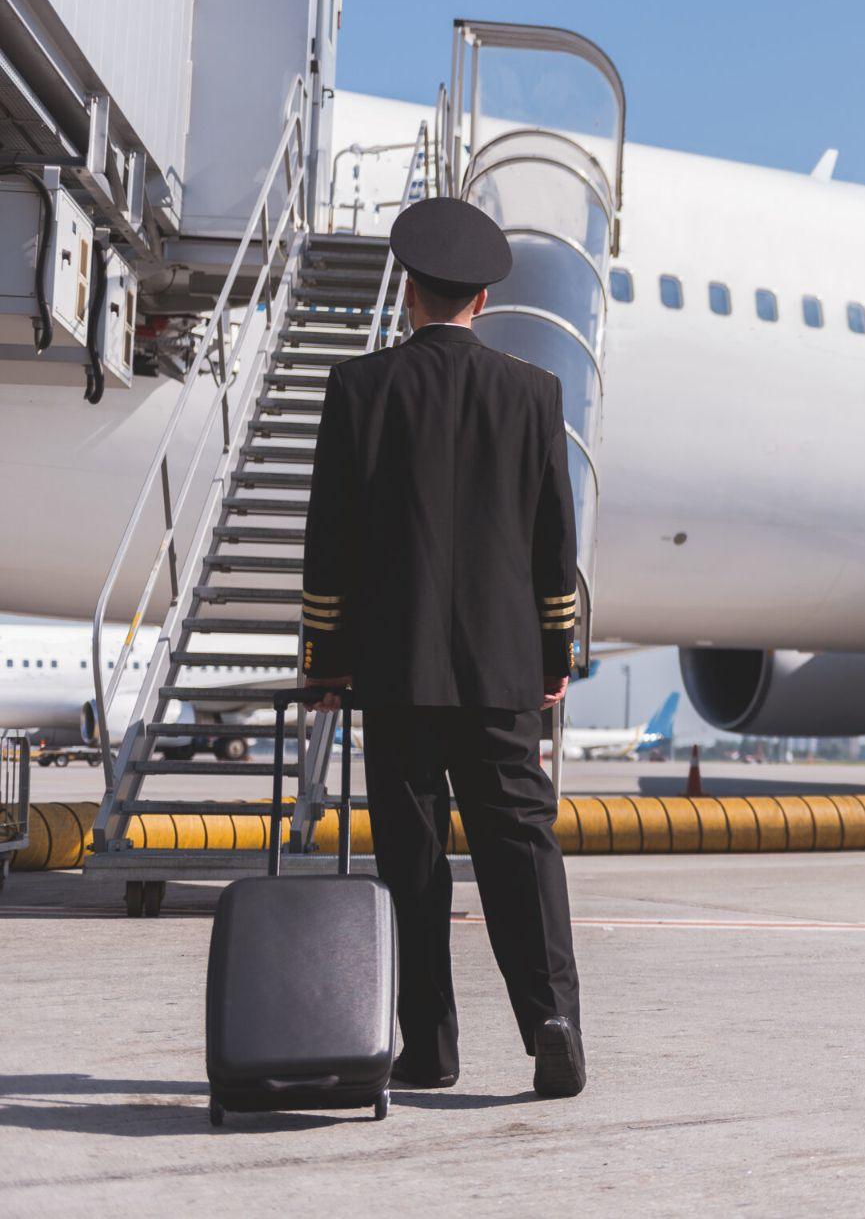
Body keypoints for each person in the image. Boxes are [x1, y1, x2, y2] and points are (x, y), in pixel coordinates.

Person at [300, 197, 587, 1098]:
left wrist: (327, 659)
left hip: (397, 672)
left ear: (411, 292)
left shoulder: (359, 390)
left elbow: (330, 540)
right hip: (504, 676)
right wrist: (553, 658)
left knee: (413, 863)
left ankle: (426, 1044)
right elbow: (555, 547)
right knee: (521, 849)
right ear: (484, 301)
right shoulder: (535, 394)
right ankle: (553, 1020)